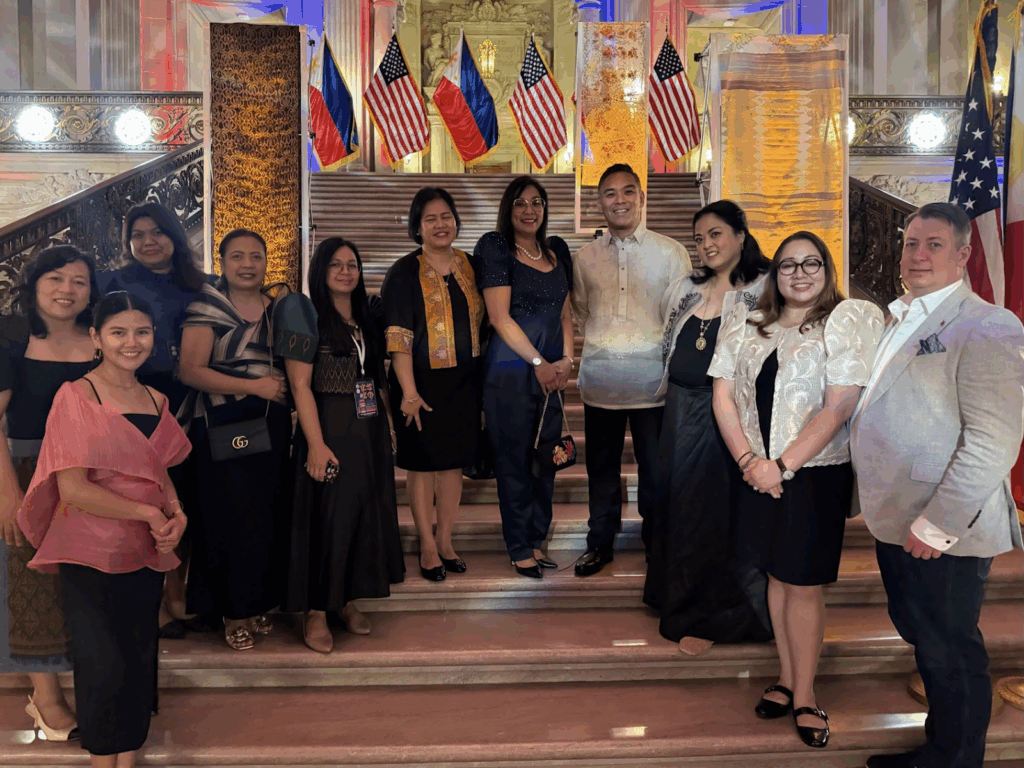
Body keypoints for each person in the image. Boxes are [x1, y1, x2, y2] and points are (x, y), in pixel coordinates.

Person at [850, 203, 1024, 768]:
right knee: (926, 638)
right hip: (897, 513)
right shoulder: (898, 316)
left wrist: (938, 523)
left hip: (942, 522)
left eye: (934, 245)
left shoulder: (988, 324)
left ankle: (955, 758)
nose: (918, 255)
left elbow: (994, 440)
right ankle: (941, 746)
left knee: (950, 649)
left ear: (964, 254)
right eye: (911, 243)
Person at [709, 231, 882, 749]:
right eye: (788, 264)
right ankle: (786, 678)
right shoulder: (746, 323)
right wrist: (749, 461)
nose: (800, 273)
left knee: (803, 583)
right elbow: (722, 396)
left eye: (811, 263)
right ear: (774, 273)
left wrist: (781, 466)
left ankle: (805, 695)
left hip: (812, 473)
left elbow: (839, 405)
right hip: (754, 471)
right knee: (776, 577)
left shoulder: (843, 321)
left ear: (826, 270)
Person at [17, 291, 190, 768]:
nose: (131, 342)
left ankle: (127, 761)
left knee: (138, 656)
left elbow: (159, 471)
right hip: (89, 549)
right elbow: (73, 489)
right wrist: (149, 514)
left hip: (143, 550)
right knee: (101, 663)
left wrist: (176, 511)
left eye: (141, 332)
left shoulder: (156, 398)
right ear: (96, 337)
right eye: (118, 332)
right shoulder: (76, 396)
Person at [643, 200, 773, 651]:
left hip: (728, 416)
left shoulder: (766, 286)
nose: (706, 245)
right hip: (678, 411)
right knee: (677, 507)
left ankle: (712, 613)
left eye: (715, 234)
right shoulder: (686, 286)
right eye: (699, 239)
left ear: (740, 234)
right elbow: (668, 338)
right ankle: (673, 596)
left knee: (712, 515)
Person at [178, 229, 310, 650]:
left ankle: (256, 603)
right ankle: (231, 612)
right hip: (221, 423)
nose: (248, 264)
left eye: (256, 256)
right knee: (226, 519)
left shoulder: (280, 309)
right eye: (237, 256)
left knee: (265, 516)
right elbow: (190, 370)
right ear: (222, 263)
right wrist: (254, 386)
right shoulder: (207, 306)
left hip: (270, 424)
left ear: (267, 261)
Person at [284, 237, 405, 653]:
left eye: (351, 264)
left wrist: (389, 426)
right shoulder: (305, 315)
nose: (345, 271)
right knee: (327, 518)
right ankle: (316, 610)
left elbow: (376, 377)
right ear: (321, 270)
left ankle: (345, 597)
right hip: (328, 428)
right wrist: (315, 445)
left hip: (368, 431)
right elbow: (299, 385)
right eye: (335, 264)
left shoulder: (367, 315)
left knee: (360, 516)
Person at [98, 202, 211, 637]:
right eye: (138, 235)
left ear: (174, 235)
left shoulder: (201, 284)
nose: (148, 241)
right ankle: (152, 602)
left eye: (157, 232)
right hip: (134, 399)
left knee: (186, 499)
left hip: (193, 399)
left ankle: (178, 593)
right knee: (143, 495)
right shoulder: (114, 283)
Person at [571, 163, 691, 576]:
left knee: (655, 472)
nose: (618, 200)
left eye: (627, 191)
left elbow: (681, 315)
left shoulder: (670, 252)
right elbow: (582, 311)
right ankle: (599, 543)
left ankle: (657, 544)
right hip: (599, 383)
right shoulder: (585, 257)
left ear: (641, 198)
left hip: (653, 385)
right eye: (609, 193)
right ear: (599, 202)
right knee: (600, 471)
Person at [0, 246, 100, 741]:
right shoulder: (12, 338)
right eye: (56, 278)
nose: (67, 290)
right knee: (32, 581)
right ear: (34, 283)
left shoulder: (101, 338)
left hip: (94, 473)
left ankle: (94, 681)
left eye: (79, 281)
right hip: (28, 470)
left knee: (87, 582)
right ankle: (46, 696)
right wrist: (8, 494)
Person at [381, 187, 485, 582]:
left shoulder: (472, 266)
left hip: (465, 382)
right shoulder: (403, 272)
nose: (440, 225)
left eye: (446, 217)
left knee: (453, 464)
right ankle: (426, 544)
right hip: (419, 384)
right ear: (417, 227)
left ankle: (445, 540)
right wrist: (408, 392)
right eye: (431, 219)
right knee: (422, 467)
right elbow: (398, 337)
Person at [473, 177, 574, 578]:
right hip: (511, 375)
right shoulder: (496, 248)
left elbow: (565, 314)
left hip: (551, 378)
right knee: (514, 464)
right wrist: (538, 362)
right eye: (520, 203)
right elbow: (499, 318)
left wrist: (567, 359)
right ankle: (518, 547)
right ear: (508, 209)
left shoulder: (556, 251)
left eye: (536, 202)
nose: (529, 210)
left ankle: (535, 540)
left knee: (545, 463)